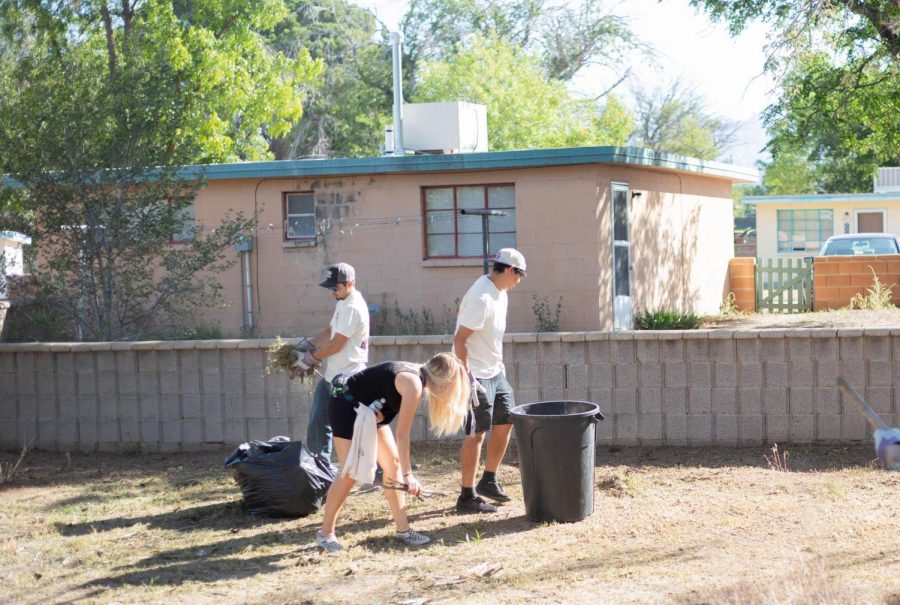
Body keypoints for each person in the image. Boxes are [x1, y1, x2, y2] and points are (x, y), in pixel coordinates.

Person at [315, 352, 470, 552]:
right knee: (349, 472)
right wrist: (409, 476)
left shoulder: (418, 377)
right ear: (444, 382)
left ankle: (403, 530)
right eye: (452, 387)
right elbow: (402, 435)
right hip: (346, 404)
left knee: (393, 464)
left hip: (368, 411)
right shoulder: (413, 383)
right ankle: (325, 533)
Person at [453, 247, 526, 513]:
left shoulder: (501, 293)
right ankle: (466, 496)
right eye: (520, 275)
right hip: (475, 375)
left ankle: (489, 480)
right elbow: (460, 339)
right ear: (509, 270)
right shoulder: (481, 297)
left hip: (495, 372)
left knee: (506, 420)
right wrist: (467, 378)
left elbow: (492, 337)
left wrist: (500, 365)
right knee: (476, 434)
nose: (519, 281)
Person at [295, 262, 370, 460]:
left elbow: (337, 345)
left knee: (357, 425)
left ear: (350, 283)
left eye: (335, 287)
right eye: (329, 287)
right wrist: (309, 345)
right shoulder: (342, 303)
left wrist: (310, 359)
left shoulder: (352, 308)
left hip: (348, 378)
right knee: (318, 422)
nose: (332, 292)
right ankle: (319, 468)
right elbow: (330, 331)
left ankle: (378, 469)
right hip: (333, 376)